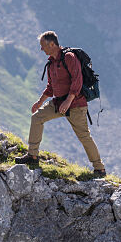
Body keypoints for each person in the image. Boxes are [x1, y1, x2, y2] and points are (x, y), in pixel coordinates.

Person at [15, 31, 106, 176]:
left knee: (84, 136)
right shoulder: (51, 63)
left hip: (75, 104)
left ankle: (99, 168)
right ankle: (32, 156)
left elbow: (77, 80)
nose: (41, 49)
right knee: (37, 118)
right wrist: (39, 102)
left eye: (43, 46)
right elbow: (51, 87)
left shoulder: (69, 57)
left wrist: (68, 101)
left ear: (52, 44)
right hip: (58, 103)